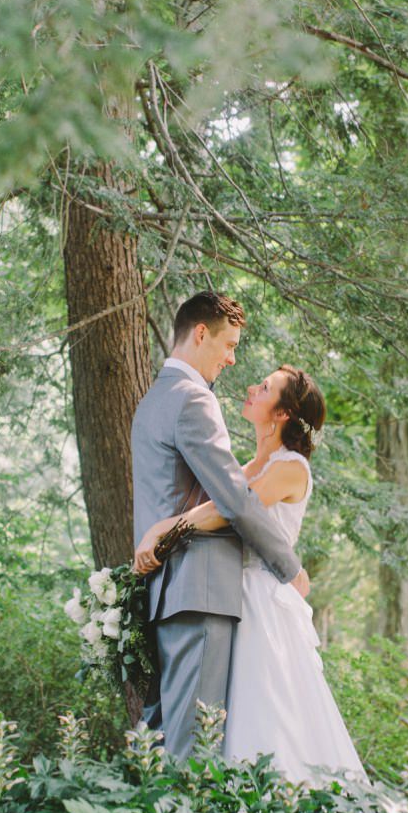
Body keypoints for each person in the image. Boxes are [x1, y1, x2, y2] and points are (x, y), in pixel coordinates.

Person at [136, 364, 366, 786]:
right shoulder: (251, 465)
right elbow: (214, 504)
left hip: (264, 600)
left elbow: (229, 511)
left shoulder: (290, 467)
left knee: (267, 707)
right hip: (231, 595)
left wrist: (159, 531)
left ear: (282, 413)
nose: (251, 389)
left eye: (264, 388)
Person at [129, 291, 310, 758]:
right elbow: (233, 500)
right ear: (201, 333)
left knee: (165, 738)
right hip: (201, 590)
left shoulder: (152, 401)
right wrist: (289, 568)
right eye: (229, 345)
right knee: (195, 746)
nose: (232, 360)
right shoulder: (193, 399)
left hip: (166, 593)